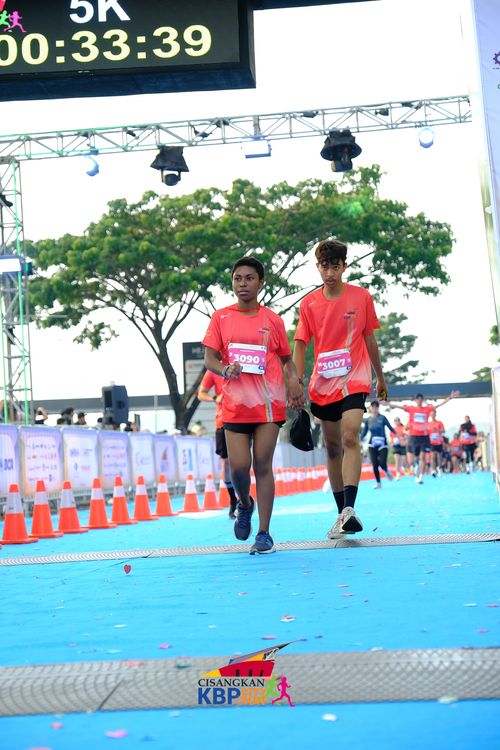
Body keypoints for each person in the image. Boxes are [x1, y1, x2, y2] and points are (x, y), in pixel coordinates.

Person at [203, 256, 304, 554]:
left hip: (269, 405)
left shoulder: (273, 320)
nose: (243, 284)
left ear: (260, 283)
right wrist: (225, 370)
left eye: (249, 278)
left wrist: (294, 382)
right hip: (235, 406)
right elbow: (210, 358)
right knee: (238, 468)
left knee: (262, 464)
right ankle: (245, 503)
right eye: (238, 278)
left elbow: (287, 361)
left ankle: (264, 533)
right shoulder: (221, 317)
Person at [292, 239, 388, 538]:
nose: (330, 272)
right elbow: (300, 343)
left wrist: (380, 377)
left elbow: (370, 339)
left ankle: (349, 508)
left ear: (344, 266)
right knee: (333, 447)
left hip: (355, 378)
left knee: (350, 436)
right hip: (323, 383)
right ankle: (341, 514)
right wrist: (296, 380)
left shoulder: (361, 297)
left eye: (335, 266)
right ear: (318, 268)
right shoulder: (309, 303)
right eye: (325, 267)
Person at [387, 391, 458, 484]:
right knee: (412, 460)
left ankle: (420, 477)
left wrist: (450, 397)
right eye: (418, 399)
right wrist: (387, 403)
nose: (419, 400)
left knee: (423, 457)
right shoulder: (411, 409)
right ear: (415, 400)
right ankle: (415, 467)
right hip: (413, 437)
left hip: (424, 437)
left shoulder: (427, 409)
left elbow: (438, 405)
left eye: (421, 399)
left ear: (423, 400)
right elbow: (398, 406)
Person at [198, 369, 239, 518]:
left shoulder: (242, 364)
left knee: (242, 463)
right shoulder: (213, 370)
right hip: (222, 421)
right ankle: (233, 499)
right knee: (227, 463)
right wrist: (215, 398)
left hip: (243, 419)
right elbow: (201, 393)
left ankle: (244, 499)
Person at [361, 400, 396, 489]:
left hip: (382, 443)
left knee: (382, 462)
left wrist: (397, 435)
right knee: (375, 464)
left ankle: (386, 471)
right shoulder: (368, 420)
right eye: (373, 407)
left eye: (376, 407)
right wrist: (359, 440)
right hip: (372, 444)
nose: (374, 408)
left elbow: (390, 427)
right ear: (370, 408)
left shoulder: (382, 418)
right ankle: (378, 483)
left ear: (378, 408)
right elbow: (364, 432)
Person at [428, 408, 446, 477]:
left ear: (435, 414)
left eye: (434, 414)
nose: (433, 415)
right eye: (431, 414)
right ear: (430, 415)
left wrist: (438, 429)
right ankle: (433, 470)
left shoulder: (439, 423)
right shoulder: (428, 424)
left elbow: (443, 431)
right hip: (431, 442)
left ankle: (439, 468)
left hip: (439, 442)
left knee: (439, 456)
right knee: (432, 456)